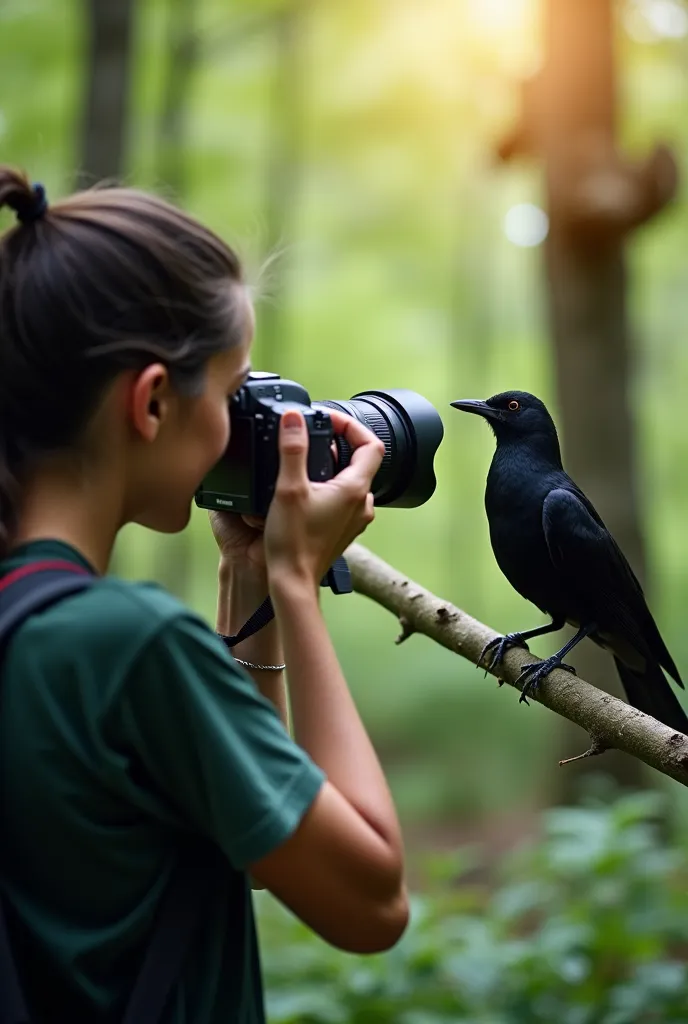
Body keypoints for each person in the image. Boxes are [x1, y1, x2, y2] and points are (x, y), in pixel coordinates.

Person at [0, 167, 409, 1023]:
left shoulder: (39, 630)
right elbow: (370, 899)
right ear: (151, 402)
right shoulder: (127, 645)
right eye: (231, 393)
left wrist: (250, 575)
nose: (238, 425)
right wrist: (299, 584)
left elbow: (266, 839)